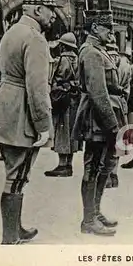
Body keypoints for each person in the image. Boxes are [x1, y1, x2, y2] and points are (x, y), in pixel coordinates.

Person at [0, 0, 59, 244]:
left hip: (5, 109)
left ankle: (16, 228)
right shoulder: (35, 39)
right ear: (37, 9)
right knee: (18, 175)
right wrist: (44, 126)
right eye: (50, 11)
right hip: (22, 114)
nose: (53, 17)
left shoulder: (12, 32)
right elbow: (37, 88)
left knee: (13, 172)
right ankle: (10, 236)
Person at [72, 10, 123, 236]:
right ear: (95, 28)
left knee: (104, 165)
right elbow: (98, 92)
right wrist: (113, 125)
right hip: (97, 118)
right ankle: (88, 219)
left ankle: (95, 211)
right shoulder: (91, 52)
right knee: (92, 166)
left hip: (103, 117)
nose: (111, 33)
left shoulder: (99, 51)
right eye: (107, 28)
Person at [44, 32, 82, 177]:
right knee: (72, 130)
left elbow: (56, 78)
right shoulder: (78, 60)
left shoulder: (61, 60)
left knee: (61, 129)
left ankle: (62, 164)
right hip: (74, 99)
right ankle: (69, 164)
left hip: (62, 98)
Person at [104, 37, 132, 188]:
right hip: (121, 105)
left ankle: (106, 175)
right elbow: (127, 90)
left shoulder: (102, 59)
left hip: (107, 104)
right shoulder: (126, 64)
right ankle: (114, 174)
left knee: (105, 140)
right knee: (118, 141)